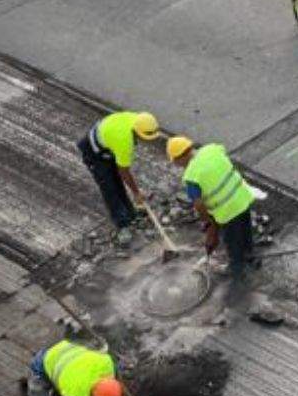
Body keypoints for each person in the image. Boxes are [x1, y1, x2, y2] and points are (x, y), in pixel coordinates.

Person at [167, 136, 257, 277]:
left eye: (175, 161)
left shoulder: (191, 176)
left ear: (180, 157)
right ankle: (250, 255)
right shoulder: (212, 149)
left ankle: (236, 268)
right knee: (245, 229)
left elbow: (198, 203)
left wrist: (209, 224)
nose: (177, 165)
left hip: (228, 210)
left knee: (232, 239)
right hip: (242, 197)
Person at [77, 110, 161, 245]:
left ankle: (131, 214)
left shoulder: (137, 120)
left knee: (117, 182)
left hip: (107, 144)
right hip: (93, 152)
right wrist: (136, 193)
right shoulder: (124, 140)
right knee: (109, 187)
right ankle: (122, 224)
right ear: (138, 132)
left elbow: (121, 171)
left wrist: (136, 193)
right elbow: (124, 171)